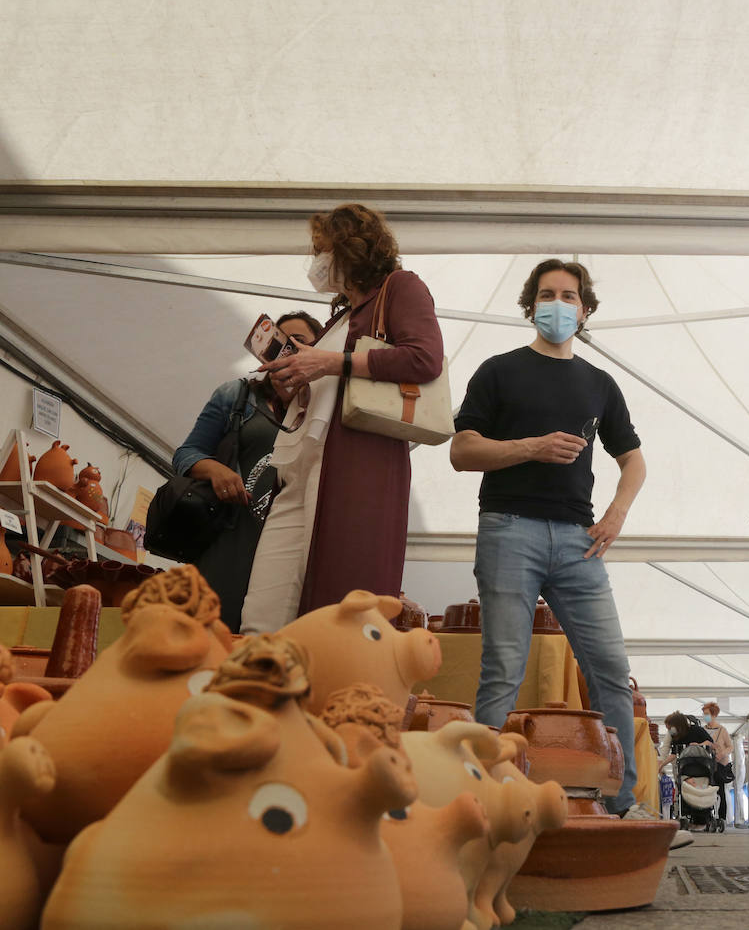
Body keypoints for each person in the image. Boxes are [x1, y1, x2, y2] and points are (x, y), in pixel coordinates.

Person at [451, 258, 647, 818]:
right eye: (546, 294)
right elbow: (461, 451)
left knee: (609, 667)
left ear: (584, 310)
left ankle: (623, 804)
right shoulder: (498, 371)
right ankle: (480, 798)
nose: (556, 304)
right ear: (529, 304)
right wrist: (530, 447)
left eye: (568, 295)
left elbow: (633, 460)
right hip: (508, 529)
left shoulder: (599, 383)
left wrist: (616, 513)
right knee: (503, 665)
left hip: (579, 538)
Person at [242, 204, 444, 631]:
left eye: (322, 249)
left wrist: (330, 362)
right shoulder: (340, 315)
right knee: (263, 610)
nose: (316, 260)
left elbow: (425, 359)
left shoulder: (401, 287)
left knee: (334, 606)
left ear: (351, 247)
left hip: (352, 464)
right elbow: (329, 381)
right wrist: (291, 385)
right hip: (301, 466)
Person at [173, 312, 324, 631]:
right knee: (209, 638)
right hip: (229, 542)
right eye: (282, 341)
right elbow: (186, 454)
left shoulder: (325, 409)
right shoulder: (237, 395)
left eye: (302, 343)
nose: (291, 349)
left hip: (290, 549)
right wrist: (215, 469)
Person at [702, 701, 734, 822]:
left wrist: (722, 753)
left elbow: (730, 746)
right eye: (704, 714)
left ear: (714, 715)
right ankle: (707, 817)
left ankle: (722, 818)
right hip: (706, 765)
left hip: (719, 765)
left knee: (720, 791)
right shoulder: (702, 730)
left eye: (707, 714)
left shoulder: (722, 730)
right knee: (706, 791)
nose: (705, 716)